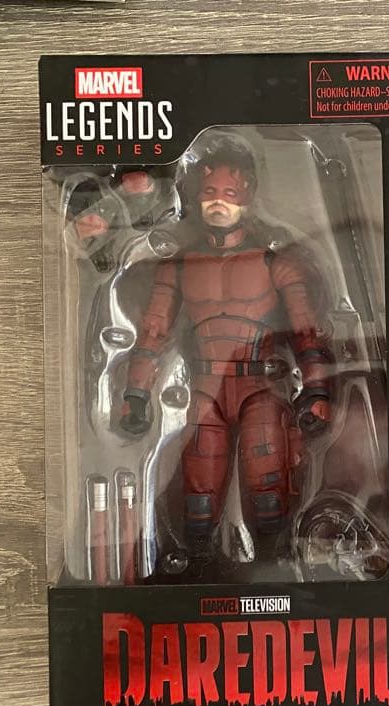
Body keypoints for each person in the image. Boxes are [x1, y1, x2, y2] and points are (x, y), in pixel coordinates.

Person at [118, 133, 332, 564]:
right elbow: (153, 332)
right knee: (199, 493)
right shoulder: (179, 267)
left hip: (260, 388)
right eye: (210, 192)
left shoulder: (276, 263)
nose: (219, 202)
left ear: (247, 196)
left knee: (268, 487)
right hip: (205, 388)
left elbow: (307, 333)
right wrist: (136, 394)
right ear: (196, 195)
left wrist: (317, 391)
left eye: (230, 193)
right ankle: (197, 568)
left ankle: (275, 564)